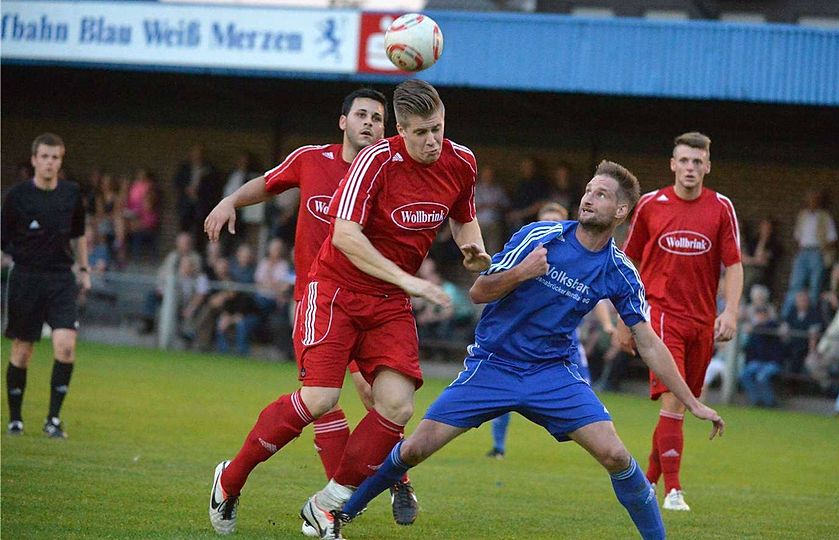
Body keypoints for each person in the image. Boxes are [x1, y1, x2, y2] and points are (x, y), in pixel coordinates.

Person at [312, 161, 725, 540]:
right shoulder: (539, 236)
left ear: (620, 212)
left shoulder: (619, 271)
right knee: (416, 448)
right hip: (493, 364)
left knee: (616, 454)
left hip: (552, 373)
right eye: (588, 190)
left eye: (601, 194)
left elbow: (649, 343)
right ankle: (338, 515)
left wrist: (693, 402)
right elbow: (478, 291)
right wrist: (524, 271)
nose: (588, 197)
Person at [206, 81, 490, 535]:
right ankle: (232, 476)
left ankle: (327, 506)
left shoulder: (462, 162)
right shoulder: (373, 161)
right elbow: (344, 235)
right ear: (400, 130)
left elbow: (463, 215)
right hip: (335, 290)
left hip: (389, 303)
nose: (432, 141)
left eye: (438, 129)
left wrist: (473, 248)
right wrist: (406, 278)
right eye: (420, 133)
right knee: (322, 399)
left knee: (396, 406)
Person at [203, 88, 405, 534]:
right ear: (343, 122)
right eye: (362, 115)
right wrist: (230, 201)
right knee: (324, 404)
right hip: (316, 300)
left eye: (378, 118)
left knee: (381, 399)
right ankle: (251, 485)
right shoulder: (311, 159)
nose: (371, 123)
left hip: (369, 303)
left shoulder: (390, 175)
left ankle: (386, 483)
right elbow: (269, 183)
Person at [614, 132, 742, 512]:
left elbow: (734, 264)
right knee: (674, 398)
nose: (690, 168)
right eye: (684, 161)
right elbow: (627, 262)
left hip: (702, 321)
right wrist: (626, 318)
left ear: (707, 165)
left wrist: (731, 310)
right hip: (660, 315)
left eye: (697, 161)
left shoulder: (721, 208)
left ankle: (646, 483)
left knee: (682, 404)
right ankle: (674, 491)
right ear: (672, 164)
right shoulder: (651, 204)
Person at [485, 201, 598, 459]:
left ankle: (585, 431)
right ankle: (499, 447)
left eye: (555, 222)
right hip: (517, 341)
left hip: (563, 344)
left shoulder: (576, 259)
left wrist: (604, 324)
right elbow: (490, 285)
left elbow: (596, 296)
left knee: (582, 396)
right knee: (501, 396)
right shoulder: (522, 252)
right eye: (544, 221)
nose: (549, 227)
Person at [2, 133, 91, 438]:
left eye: (55, 157)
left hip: (61, 279)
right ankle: (15, 419)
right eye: (45, 157)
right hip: (26, 277)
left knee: (66, 346)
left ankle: (53, 420)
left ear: (60, 161)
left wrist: (84, 269)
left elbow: (79, 234)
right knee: (22, 350)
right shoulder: (16, 197)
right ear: (34, 160)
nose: (50, 162)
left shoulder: (71, 194)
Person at [783, 190, 837, 316]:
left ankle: (810, 315)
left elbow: (833, 239)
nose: (812, 201)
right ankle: (787, 315)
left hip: (817, 252)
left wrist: (822, 247)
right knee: (795, 284)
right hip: (803, 251)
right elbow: (797, 236)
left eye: (815, 199)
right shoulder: (802, 215)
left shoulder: (825, 216)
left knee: (815, 286)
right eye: (810, 199)